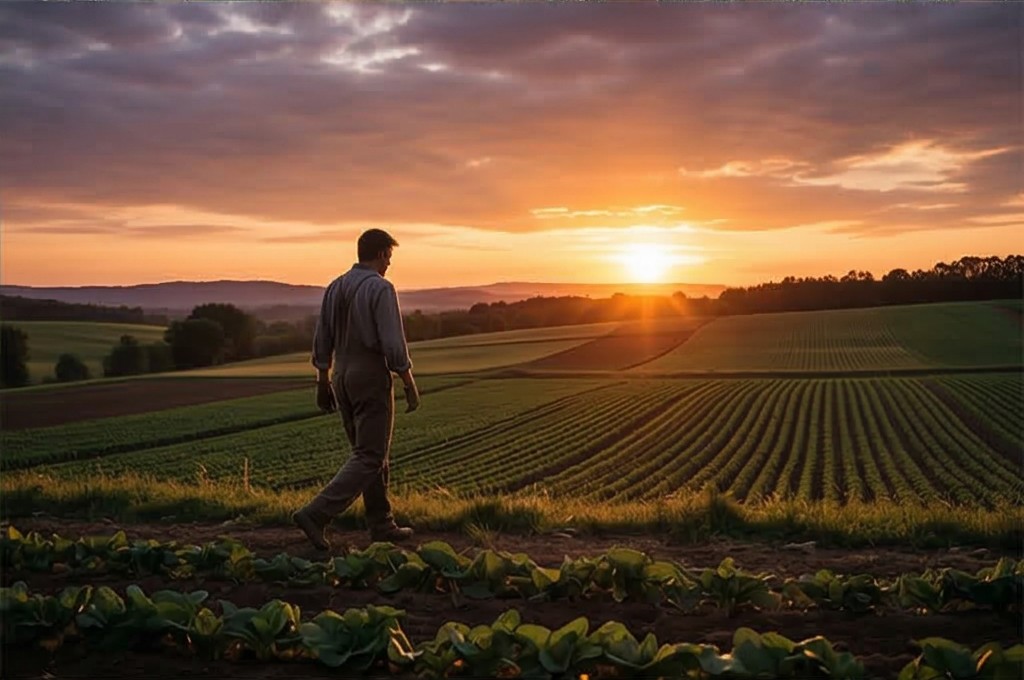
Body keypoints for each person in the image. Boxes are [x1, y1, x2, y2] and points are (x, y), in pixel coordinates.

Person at [292, 228, 421, 550]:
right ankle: (316, 514)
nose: (389, 264)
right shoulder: (381, 288)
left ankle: (382, 524)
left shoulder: (335, 287)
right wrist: (408, 381)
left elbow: (322, 338)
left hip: (342, 376)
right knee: (370, 455)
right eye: (389, 257)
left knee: (368, 453)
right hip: (369, 375)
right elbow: (393, 343)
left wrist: (323, 380)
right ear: (380, 254)